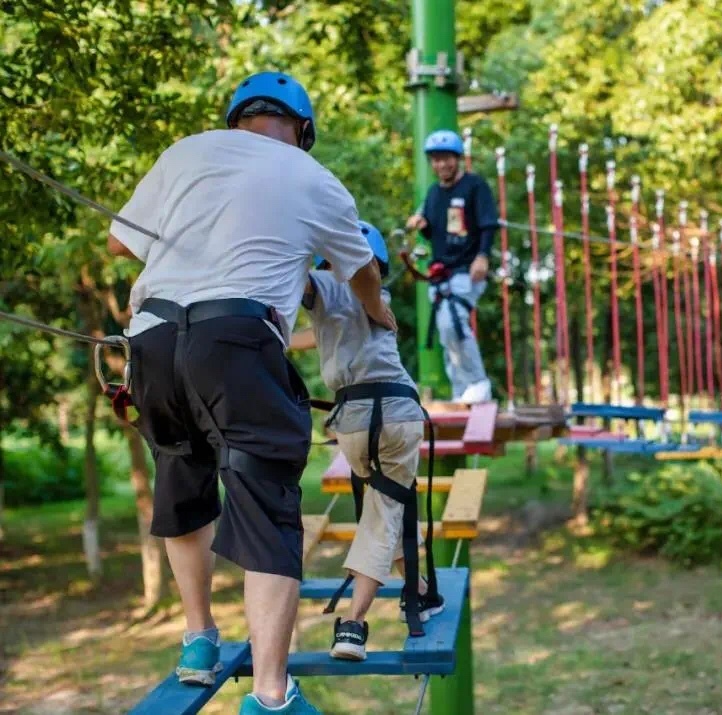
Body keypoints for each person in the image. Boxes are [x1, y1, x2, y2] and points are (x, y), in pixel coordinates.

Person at [106, 71, 395, 715]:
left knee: (182, 479)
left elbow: (119, 240)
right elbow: (363, 271)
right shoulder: (313, 179)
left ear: (234, 118)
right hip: (236, 338)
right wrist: (380, 313)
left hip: (151, 338)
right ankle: (270, 696)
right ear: (302, 130)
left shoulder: (186, 151)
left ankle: (198, 639)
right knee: (265, 503)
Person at [289, 221, 443, 661]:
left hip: (353, 424)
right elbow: (311, 334)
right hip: (397, 414)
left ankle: (418, 591)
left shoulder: (322, 287)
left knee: (383, 509)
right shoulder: (379, 299)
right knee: (384, 512)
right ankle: (354, 625)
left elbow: (291, 269)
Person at [405, 129, 498, 404]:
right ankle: (462, 391)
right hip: (441, 273)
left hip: (467, 269)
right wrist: (423, 228)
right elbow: (436, 235)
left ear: (458, 158)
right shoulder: (433, 194)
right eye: (435, 160)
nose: (441, 165)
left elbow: (488, 223)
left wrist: (482, 256)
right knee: (448, 335)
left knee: (452, 323)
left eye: (446, 159)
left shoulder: (474, 186)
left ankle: (478, 383)